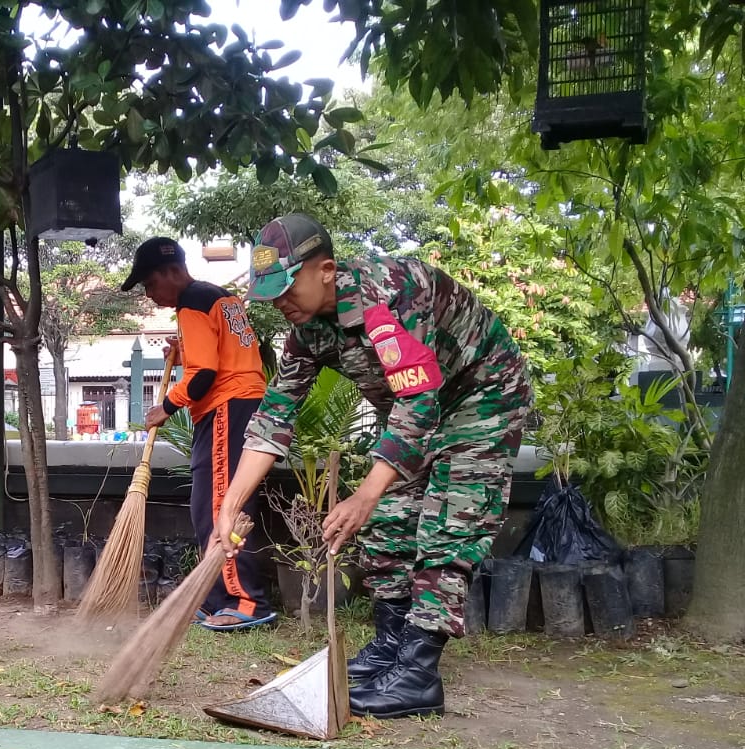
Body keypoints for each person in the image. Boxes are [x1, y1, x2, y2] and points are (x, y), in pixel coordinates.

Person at [213, 214, 531, 718]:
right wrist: (229, 505)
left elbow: (420, 403)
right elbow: (275, 416)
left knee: (448, 525)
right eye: (269, 293)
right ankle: (391, 647)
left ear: (326, 270)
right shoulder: (308, 329)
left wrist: (364, 493)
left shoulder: (392, 295)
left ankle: (419, 674)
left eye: (286, 288)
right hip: (409, 411)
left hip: (480, 398)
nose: (279, 303)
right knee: (387, 526)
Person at [121, 237, 275, 630]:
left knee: (221, 504)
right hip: (239, 401)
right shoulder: (217, 296)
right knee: (208, 502)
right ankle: (214, 597)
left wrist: (166, 407)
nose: (150, 294)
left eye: (150, 284)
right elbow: (217, 356)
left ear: (172, 272)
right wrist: (186, 349)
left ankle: (246, 602)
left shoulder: (192, 301)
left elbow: (205, 374)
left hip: (228, 404)